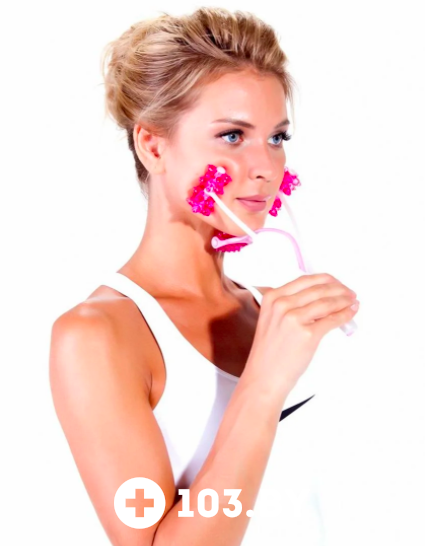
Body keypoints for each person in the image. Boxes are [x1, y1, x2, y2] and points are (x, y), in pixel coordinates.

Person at [49, 7, 360, 546]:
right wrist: (263, 385)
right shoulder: (99, 336)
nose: (265, 167)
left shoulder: (280, 315)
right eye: (233, 136)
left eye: (277, 138)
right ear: (153, 146)